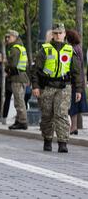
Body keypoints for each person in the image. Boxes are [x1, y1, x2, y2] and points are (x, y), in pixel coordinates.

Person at [31, 23, 85, 152]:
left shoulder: (70, 50)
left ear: (64, 34)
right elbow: (35, 70)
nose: (58, 35)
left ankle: (63, 142)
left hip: (64, 87)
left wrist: (78, 89)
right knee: (47, 115)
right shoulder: (45, 50)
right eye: (55, 33)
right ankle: (47, 139)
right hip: (47, 87)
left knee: (61, 114)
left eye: (60, 33)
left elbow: (77, 72)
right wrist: (36, 86)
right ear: (53, 35)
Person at [5, 30, 29, 129]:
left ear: (15, 37)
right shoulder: (20, 47)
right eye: (6, 37)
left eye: (9, 37)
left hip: (17, 77)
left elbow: (13, 65)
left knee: (19, 100)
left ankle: (22, 121)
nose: (7, 39)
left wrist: (7, 69)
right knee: (19, 100)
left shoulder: (14, 49)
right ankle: (18, 120)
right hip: (22, 76)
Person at [65, 30, 87, 136]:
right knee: (75, 106)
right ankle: (74, 127)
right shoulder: (78, 48)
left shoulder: (73, 49)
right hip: (80, 81)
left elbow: (75, 68)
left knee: (73, 106)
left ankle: (73, 127)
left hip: (75, 82)